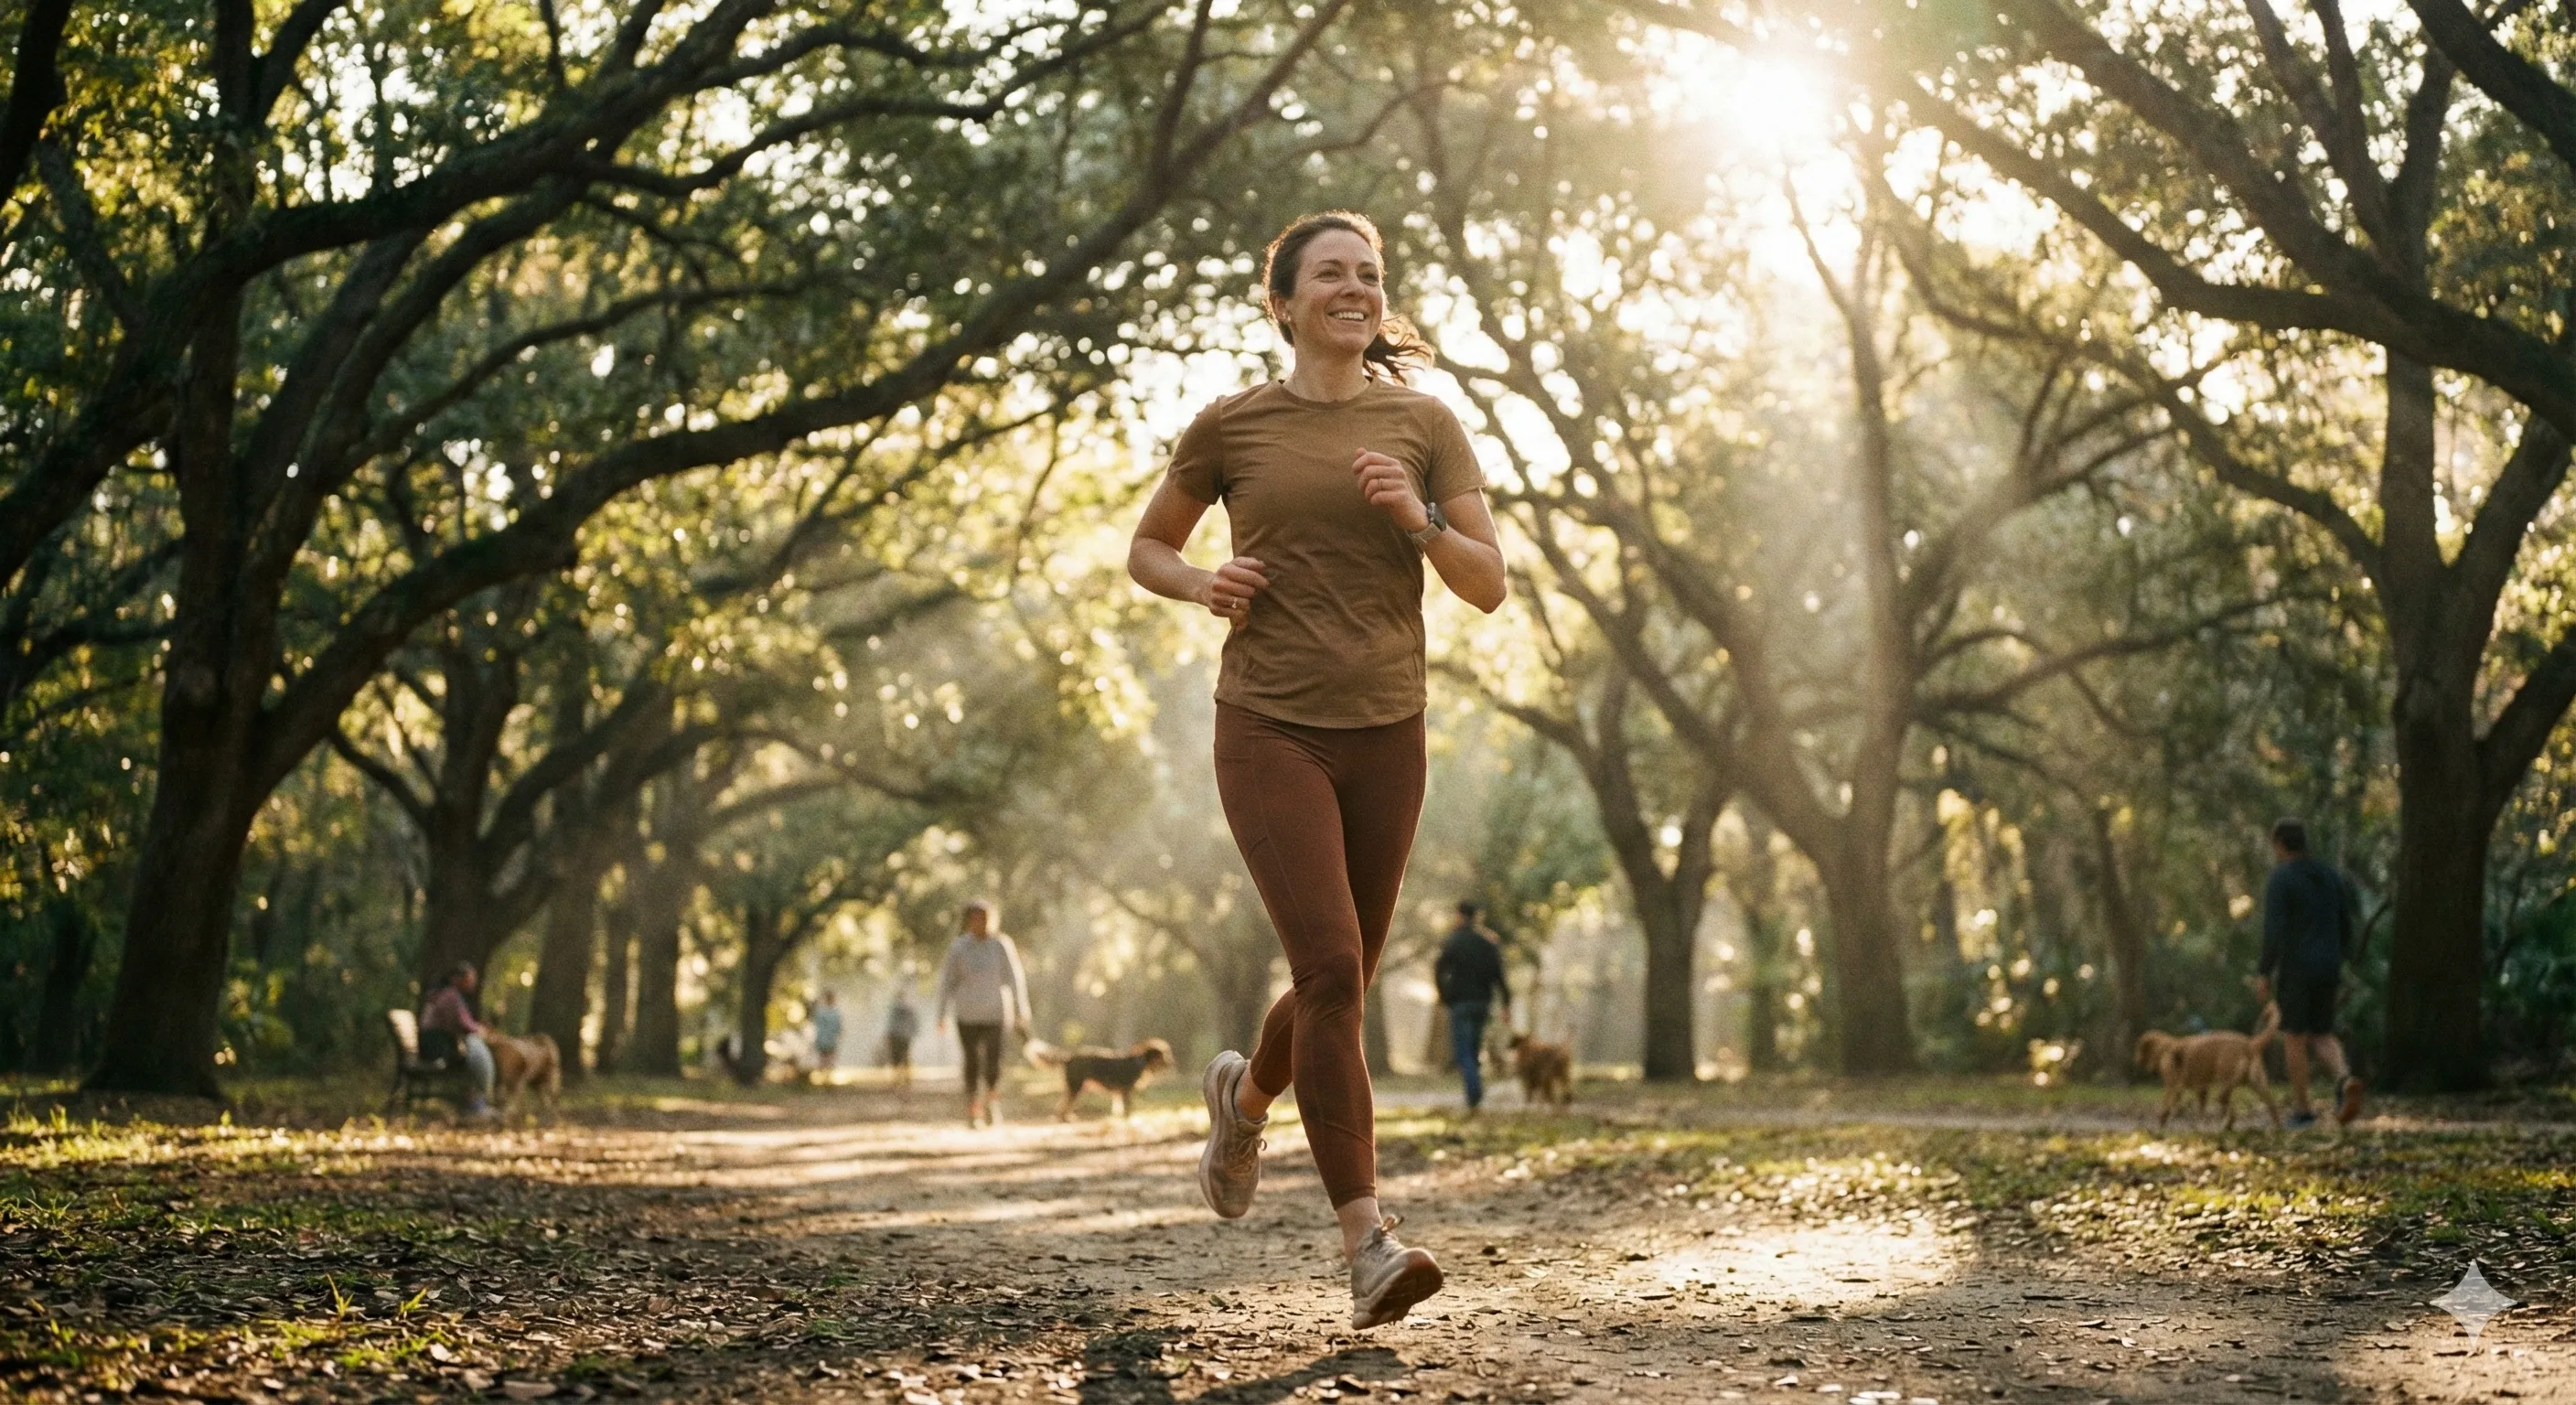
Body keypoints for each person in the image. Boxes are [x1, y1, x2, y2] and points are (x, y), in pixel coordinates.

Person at [1128, 209, 1507, 1329]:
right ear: (1282, 302)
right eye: (1330, 274)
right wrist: (1201, 585)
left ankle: (1243, 1100)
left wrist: (1421, 517)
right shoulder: (1232, 426)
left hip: (1389, 729)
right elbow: (1148, 545)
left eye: (1370, 274)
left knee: (1335, 979)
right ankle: (1367, 1244)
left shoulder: (1426, 423)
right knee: (1336, 969)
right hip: (1268, 725)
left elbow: (1487, 582)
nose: (1354, 288)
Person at [2256, 818, 2367, 1128]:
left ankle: (2303, 1109)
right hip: (2328, 964)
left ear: (2279, 843)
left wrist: (2264, 971)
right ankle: (2345, 1081)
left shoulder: (2282, 878)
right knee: (2322, 1032)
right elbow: (2346, 923)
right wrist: (2339, 957)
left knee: (2294, 1035)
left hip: (2296, 966)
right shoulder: (2330, 876)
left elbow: (2274, 929)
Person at [934, 900, 1031, 1127]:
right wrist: (941, 1014)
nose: (983, 923)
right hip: (967, 1014)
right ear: (969, 921)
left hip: (997, 1013)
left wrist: (1021, 1008)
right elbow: (946, 982)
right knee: (972, 1062)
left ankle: (991, 1101)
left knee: (993, 1063)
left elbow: (1014, 977)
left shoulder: (1001, 945)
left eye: (987, 918)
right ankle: (972, 1108)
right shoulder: (958, 948)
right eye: (978, 918)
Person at [1433, 901, 1511, 1113]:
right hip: (1482, 1003)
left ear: (1459, 916)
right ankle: (1476, 1091)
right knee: (1475, 1049)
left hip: (1460, 1003)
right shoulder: (1488, 942)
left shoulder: (1454, 941)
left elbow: (1439, 968)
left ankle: (1474, 1094)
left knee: (1464, 1052)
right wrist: (1506, 1003)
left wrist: (1443, 995)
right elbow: (1499, 975)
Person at [419, 962, 496, 1120]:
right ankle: (474, 1105)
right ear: (456, 979)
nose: (473, 983)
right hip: (435, 1046)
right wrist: (480, 1030)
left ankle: (474, 1103)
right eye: (469, 979)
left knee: (468, 1057)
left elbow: (463, 1021)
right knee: (471, 1061)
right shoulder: (449, 996)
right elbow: (463, 1024)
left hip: (434, 1043)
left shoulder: (446, 994)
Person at [884, 987, 919, 1092]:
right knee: (905, 1057)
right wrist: (914, 1032)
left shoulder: (893, 1007)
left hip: (896, 1036)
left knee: (895, 1058)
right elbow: (914, 1022)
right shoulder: (910, 1008)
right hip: (906, 1036)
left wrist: (888, 1034)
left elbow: (891, 1022)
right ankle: (907, 1080)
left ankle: (896, 1081)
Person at [810, 989, 843, 1083]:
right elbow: (839, 1027)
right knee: (828, 1058)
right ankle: (827, 1077)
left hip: (824, 1038)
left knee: (824, 1058)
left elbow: (816, 1025)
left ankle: (825, 1077)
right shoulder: (834, 1012)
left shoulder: (821, 1012)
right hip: (828, 1038)